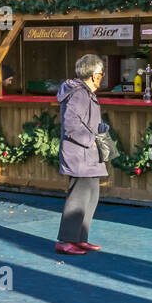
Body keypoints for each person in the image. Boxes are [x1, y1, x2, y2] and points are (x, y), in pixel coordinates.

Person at [56, 54, 108, 255]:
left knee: (92, 195)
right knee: (78, 197)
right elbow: (70, 124)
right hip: (79, 153)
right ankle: (65, 240)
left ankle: (79, 238)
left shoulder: (86, 93)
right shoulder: (79, 94)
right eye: (101, 74)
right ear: (94, 75)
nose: (102, 77)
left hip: (88, 153)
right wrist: (91, 140)